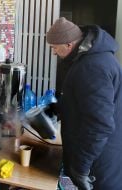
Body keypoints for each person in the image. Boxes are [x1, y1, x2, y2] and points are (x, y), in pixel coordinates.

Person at [46, 17, 122, 190]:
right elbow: (86, 103)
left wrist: (81, 168)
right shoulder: (91, 58)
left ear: (68, 45)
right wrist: (55, 108)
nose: (53, 53)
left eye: (54, 48)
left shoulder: (92, 67)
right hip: (101, 154)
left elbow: (99, 125)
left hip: (99, 163)